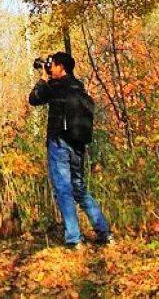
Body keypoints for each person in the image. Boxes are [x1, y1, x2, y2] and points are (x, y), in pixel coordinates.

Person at [29, 51, 113, 249]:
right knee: (79, 189)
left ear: (61, 67)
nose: (50, 68)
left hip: (59, 143)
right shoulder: (79, 87)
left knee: (63, 190)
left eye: (52, 65)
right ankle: (105, 233)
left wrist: (43, 78)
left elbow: (34, 98)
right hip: (78, 144)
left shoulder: (55, 87)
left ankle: (74, 240)